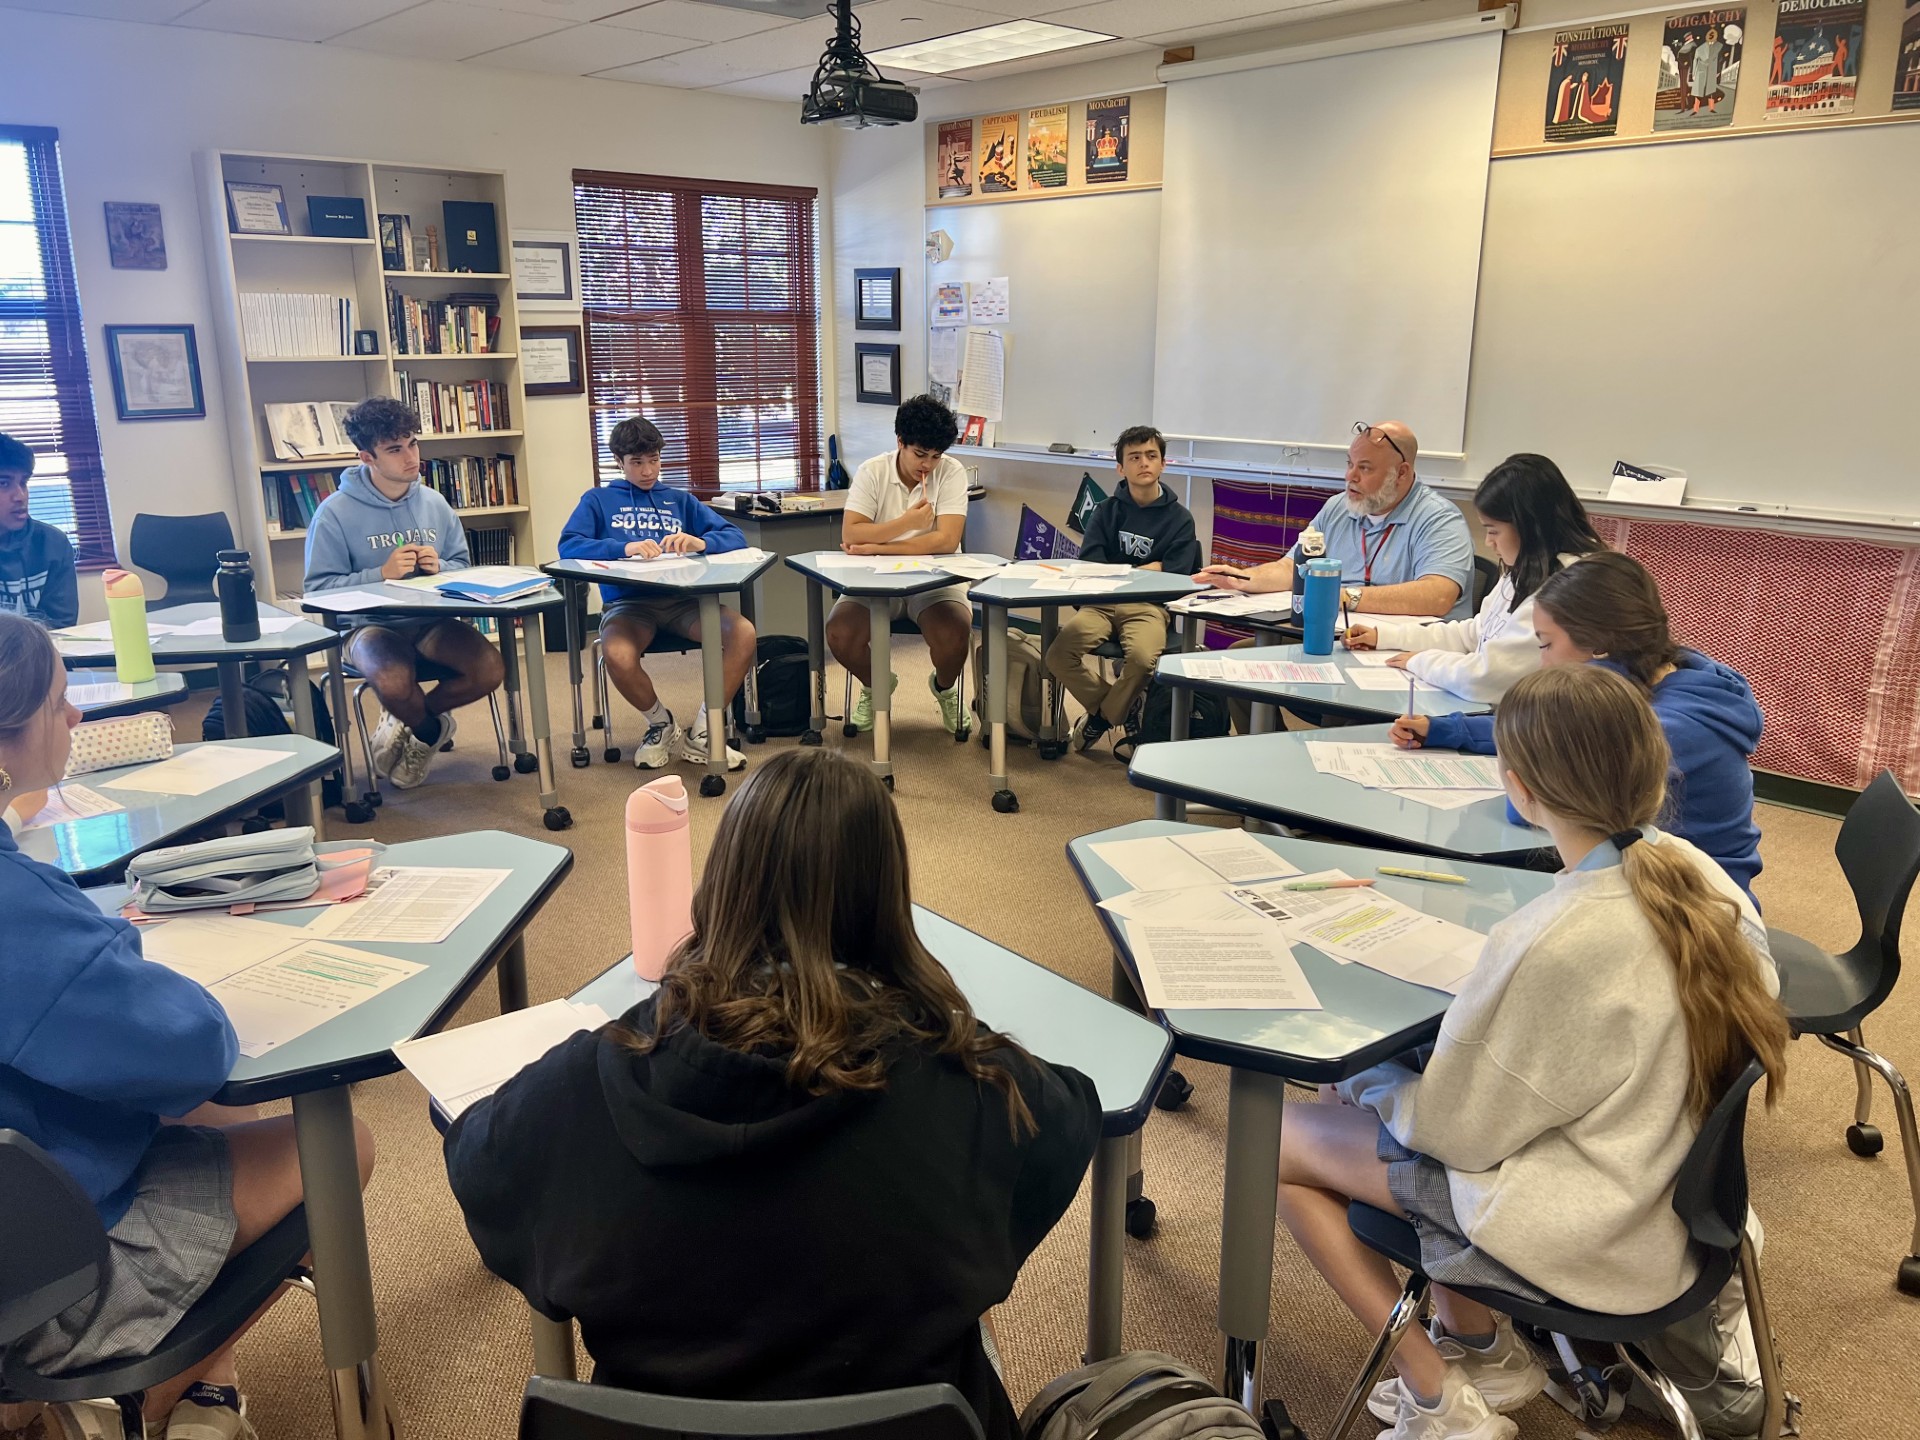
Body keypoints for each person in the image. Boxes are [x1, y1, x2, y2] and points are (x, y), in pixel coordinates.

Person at [445, 748, 1099, 1438]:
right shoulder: (973, 1086)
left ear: (722, 885)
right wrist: (937, 1016)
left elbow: (479, 1161)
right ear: (885, 903)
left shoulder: (588, 1081)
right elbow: (1072, 1118)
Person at [1276, 664, 1788, 1440]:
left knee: (1279, 1137)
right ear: (1654, 776)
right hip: (1664, 1191)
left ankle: (1440, 1392)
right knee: (1381, 1093)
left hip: (1593, 1226)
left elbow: (1455, 1133)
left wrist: (1366, 1075)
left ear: (1519, 789)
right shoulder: (1703, 879)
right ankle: (1482, 1348)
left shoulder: (1550, 940)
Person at [0, 613, 375, 1440]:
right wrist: (134, 963)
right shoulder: (21, 914)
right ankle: (137, 1398)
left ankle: (191, 1386)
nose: (74, 721)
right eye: (60, 705)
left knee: (211, 1117)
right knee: (338, 1142)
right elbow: (193, 1046)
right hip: (44, 1276)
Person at [1391, 551, 1765, 904]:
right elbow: (1559, 730)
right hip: (1652, 881)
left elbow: (1530, 806)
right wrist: (1448, 729)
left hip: (1697, 913)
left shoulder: (1669, 728)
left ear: (1599, 646)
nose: (1542, 664)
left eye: (1547, 645)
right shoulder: (1666, 671)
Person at [304, 396, 505, 790]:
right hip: (368, 627)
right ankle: (430, 731)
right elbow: (317, 590)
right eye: (395, 449)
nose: (410, 457)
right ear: (367, 457)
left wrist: (440, 567)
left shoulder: (435, 502)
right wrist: (379, 573)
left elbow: (462, 569)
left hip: (431, 620)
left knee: (491, 670)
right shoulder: (333, 512)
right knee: (395, 684)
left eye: (412, 443)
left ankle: (413, 722)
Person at [557, 417, 756, 772]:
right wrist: (624, 547)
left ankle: (706, 730)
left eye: (654, 460)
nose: (648, 471)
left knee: (743, 633)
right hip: (630, 606)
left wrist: (702, 542)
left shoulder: (679, 500)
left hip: (686, 602)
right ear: (619, 462)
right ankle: (661, 724)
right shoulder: (598, 500)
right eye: (637, 462)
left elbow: (735, 536)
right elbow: (569, 545)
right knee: (616, 654)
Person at [1346, 453, 1604, 703]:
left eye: (1494, 531)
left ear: (1530, 527)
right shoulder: (1525, 569)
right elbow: (1476, 633)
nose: (1489, 542)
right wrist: (1387, 637)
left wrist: (1418, 661)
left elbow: (1485, 677)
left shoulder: (1567, 586)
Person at [1195, 421, 1476, 623]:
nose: (1349, 477)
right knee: (1243, 667)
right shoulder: (1339, 507)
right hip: (1343, 635)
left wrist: (1344, 597)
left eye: (1364, 468)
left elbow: (1438, 596)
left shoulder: (1439, 519)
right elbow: (1293, 567)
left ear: (1401, 473)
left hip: (1411, 653)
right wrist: (1243, 578)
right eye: (1349, 464)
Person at [1045, 425, 1201, 753]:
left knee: (1144, 660)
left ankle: (1101, 718)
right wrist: (1151, 567)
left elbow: (1177, 573)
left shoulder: (1180, 518)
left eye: (1151, 456)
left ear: (1162, 464)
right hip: (1101, 603)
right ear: (1121, 468)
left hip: (1149, 607)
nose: (1144, 463)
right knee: (1058, 655)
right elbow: (1092, 566)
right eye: (1134, 457)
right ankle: (1120, 710)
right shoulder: (1106, 511)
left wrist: (1130, 571)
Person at [829, 394, 972, 735]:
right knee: (839, 634)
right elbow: (851, 532)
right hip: (875, 579)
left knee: (956, 635)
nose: (928, 465)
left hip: (935, 579)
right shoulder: (873, 471)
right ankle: (876, 685)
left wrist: (877, 545)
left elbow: (946, 541)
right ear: (900, 443)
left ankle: (945, 687)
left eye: (936, 456)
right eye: (920, 454)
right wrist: (906, 522)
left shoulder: (951, 473)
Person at [0, 432, 79, 630]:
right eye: (4, 483)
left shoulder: (52, 544)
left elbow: (61, 626)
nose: (20, 496)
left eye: (23, 482)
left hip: (40, 656)